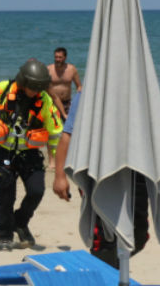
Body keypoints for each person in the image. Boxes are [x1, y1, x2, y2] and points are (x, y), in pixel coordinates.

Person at [52, 92, 150, 267]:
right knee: (104, 234)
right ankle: (109, 273)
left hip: (134, 168)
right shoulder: (87, 93)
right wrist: (60, 176)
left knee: (139, 233)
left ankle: (113, 267)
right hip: (97, 170)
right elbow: (68, 135)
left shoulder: (137, 87)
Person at [0, 58, 63, 251]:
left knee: (37, 191)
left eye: (39, 88)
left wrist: (54, 160)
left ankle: (20, 221)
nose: (36, 92)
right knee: (6, 196)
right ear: (23, 81)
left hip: (29, 154)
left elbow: (55, 133)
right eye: (33, 87)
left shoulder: (45, 101)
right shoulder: (2, 90)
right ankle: (5, 237)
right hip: (3, 152)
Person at [47, 47, 82, 121]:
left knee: (71, 124)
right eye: (56, 57)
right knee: (53, 126)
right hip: (52, 103)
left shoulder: (71, 69)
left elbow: (79, 86)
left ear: (65, 58)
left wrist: (77, 101)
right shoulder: (49, 69)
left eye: (60, 57)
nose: (57, 59)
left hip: (67, 103)